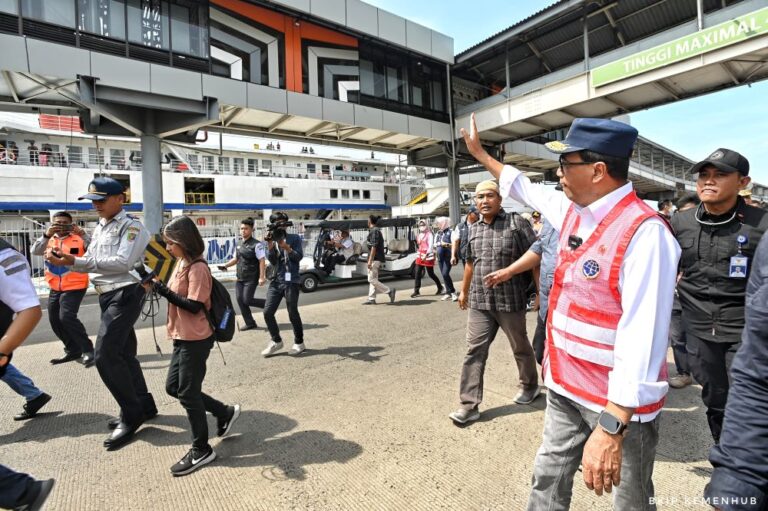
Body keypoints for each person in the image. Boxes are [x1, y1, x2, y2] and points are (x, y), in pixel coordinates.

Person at [462, 114, 680, 509]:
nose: (557, 173)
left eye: (566, 164)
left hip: (617, 405)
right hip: (564, 385)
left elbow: (644, 337)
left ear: (597, 171)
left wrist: (613, 425)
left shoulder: (646, 234)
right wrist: (480, 154)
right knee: (547, 479)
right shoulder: (573, 209)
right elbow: (524, 187)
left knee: (630, 498)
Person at [46, 177, 158, 450]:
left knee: (105, 356)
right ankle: (144, 404)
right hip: (107, 294)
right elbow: (95, 261)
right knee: (123, 353)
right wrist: (68, 257)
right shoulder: (100, 227)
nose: (96, 204)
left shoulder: (132, 227)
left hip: (125, 294)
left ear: (120, 198)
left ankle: (131, 415)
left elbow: (123, 262)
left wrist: (74, 261)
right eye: (93, 200)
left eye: (101, 199)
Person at [672, 148, 768, 444]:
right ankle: (723, 455)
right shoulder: (679, 224)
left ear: (743, 182)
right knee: (716, 400)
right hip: (699, 332)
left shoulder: (762, 224)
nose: (708, 182)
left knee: (749, 402)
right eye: (704, 175)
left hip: (746, 332)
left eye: (720, 175)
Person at [144, 216, 241, 476]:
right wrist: (155, 285)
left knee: (187, 392)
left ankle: (202, 449)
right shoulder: (180, 262)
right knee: (173, 387)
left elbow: (194, 305)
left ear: (183, 242)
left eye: (170, 243)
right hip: (181, 335)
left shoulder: (198, 268)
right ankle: (225, 411)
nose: (167, 248)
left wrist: (161, 290)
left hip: (196, 339)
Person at [449, 180, 540, 425]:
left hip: (510, 300)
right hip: (480, 301)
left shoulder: (516, 223)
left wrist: (541, 292)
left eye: (490, 196)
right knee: (474, 351)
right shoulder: (472, 228)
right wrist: (463, 291)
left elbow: (536, 257)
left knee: (520, 347)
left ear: (499, 199)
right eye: (480, 197)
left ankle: (530, 385)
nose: (484, 201)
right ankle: (469, 406)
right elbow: (469, 263)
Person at [704, 231, 768, 510]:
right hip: (705, 323)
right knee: (715, 396)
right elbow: (759, 378)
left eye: (716, 181)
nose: (708, 184)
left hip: (733, 328)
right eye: (704, 181)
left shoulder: (757, 227)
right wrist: (733, 487)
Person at [0, 237, 56, 510]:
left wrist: (2, 351)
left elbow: (30, 310)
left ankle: (22, 492)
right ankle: (21, 492)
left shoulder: (3, 256)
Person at [31, 212, 94, 367]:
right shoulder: (49, 240)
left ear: (71, 224)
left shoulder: (78, 239)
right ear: (52, 224)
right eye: (58, 223)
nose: (61, 226)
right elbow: (35, 251)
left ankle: (88, 350)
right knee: (55, 320)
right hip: (55, 286)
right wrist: (46, 236)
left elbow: (95, 250)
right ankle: (73, 350)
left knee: (66, 316)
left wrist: (83, 234)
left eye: (65, 223)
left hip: (75, 285)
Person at [260, 212, 307, 356]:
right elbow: (273, 261)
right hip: (276, 280)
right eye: (278, 222)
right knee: (267, 312)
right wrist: (270, 245)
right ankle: (276, 341)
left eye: (283, 222)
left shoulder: (294, 238)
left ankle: (299, 342)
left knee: (292, 312)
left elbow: (298, 257)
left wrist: (286, 247)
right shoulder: (272, 239)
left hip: (291, 280)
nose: (281, 225)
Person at [667, 195, 700, 390]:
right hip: (676, 296)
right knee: (678, 337)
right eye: (683, 214)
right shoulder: (670, 233)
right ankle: (684, 372)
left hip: (700, 298)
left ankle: (704, 372)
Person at [218, 218, 266, 331]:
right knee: (240, 300)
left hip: (251, 277)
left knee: (247, 300)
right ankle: (250, 323)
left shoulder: (257, 245)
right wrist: (226, 266)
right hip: (240, 277)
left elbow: (262, 260)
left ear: (251, 230)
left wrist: (262, 277)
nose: (243, 231)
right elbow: (236, 258)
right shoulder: (239, 243)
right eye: (242, 228)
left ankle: (268, 304)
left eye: (246, 229)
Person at [362, 215, 396, 305]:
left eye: (367, 220)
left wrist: (370, 260)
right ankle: (371, 298)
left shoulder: (375, 231)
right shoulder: (374, 231)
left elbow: (374, 247)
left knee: (371, 279)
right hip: (374, 258)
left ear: (369, 221)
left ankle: (389, 291)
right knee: (374, 278)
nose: (367, 222)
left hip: (374, 259)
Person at [411, 219, 443, 298]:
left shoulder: (429, 234)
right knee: (417, 273)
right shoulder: (419, 234)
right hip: (420, 255)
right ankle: (416, 291)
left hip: (428, 256)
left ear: (426, 225)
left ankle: (440, 287)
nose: (422, 227)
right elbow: (418, 244)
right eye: (420, 225)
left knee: (431, 274)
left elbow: (430, 246)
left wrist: (426, 254)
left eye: (423, 225)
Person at [435, 217, 457, 301]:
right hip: (440, 257)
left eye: (440, 223)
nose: (438, 225)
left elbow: (455, 244)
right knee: (444, 275)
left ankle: (453, 292)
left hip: (448, 256)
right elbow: (435, 245)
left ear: (445, 223)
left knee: (445, 274)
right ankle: (448, 293)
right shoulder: (438, 233)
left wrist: (446, 244)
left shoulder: (451, 232)